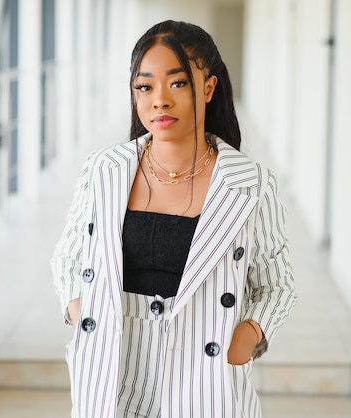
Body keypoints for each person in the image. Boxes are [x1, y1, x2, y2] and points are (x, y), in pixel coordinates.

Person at [51, 20, 297, 418]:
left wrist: (245, 338)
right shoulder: (103, 169)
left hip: (204, 372)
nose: (159, 101)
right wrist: (82, 311)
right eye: (145, 86)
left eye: (177, 83)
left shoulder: (250, 184)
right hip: (114, 362)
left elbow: (277, 285)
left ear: (209, 88)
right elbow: (67, 257)